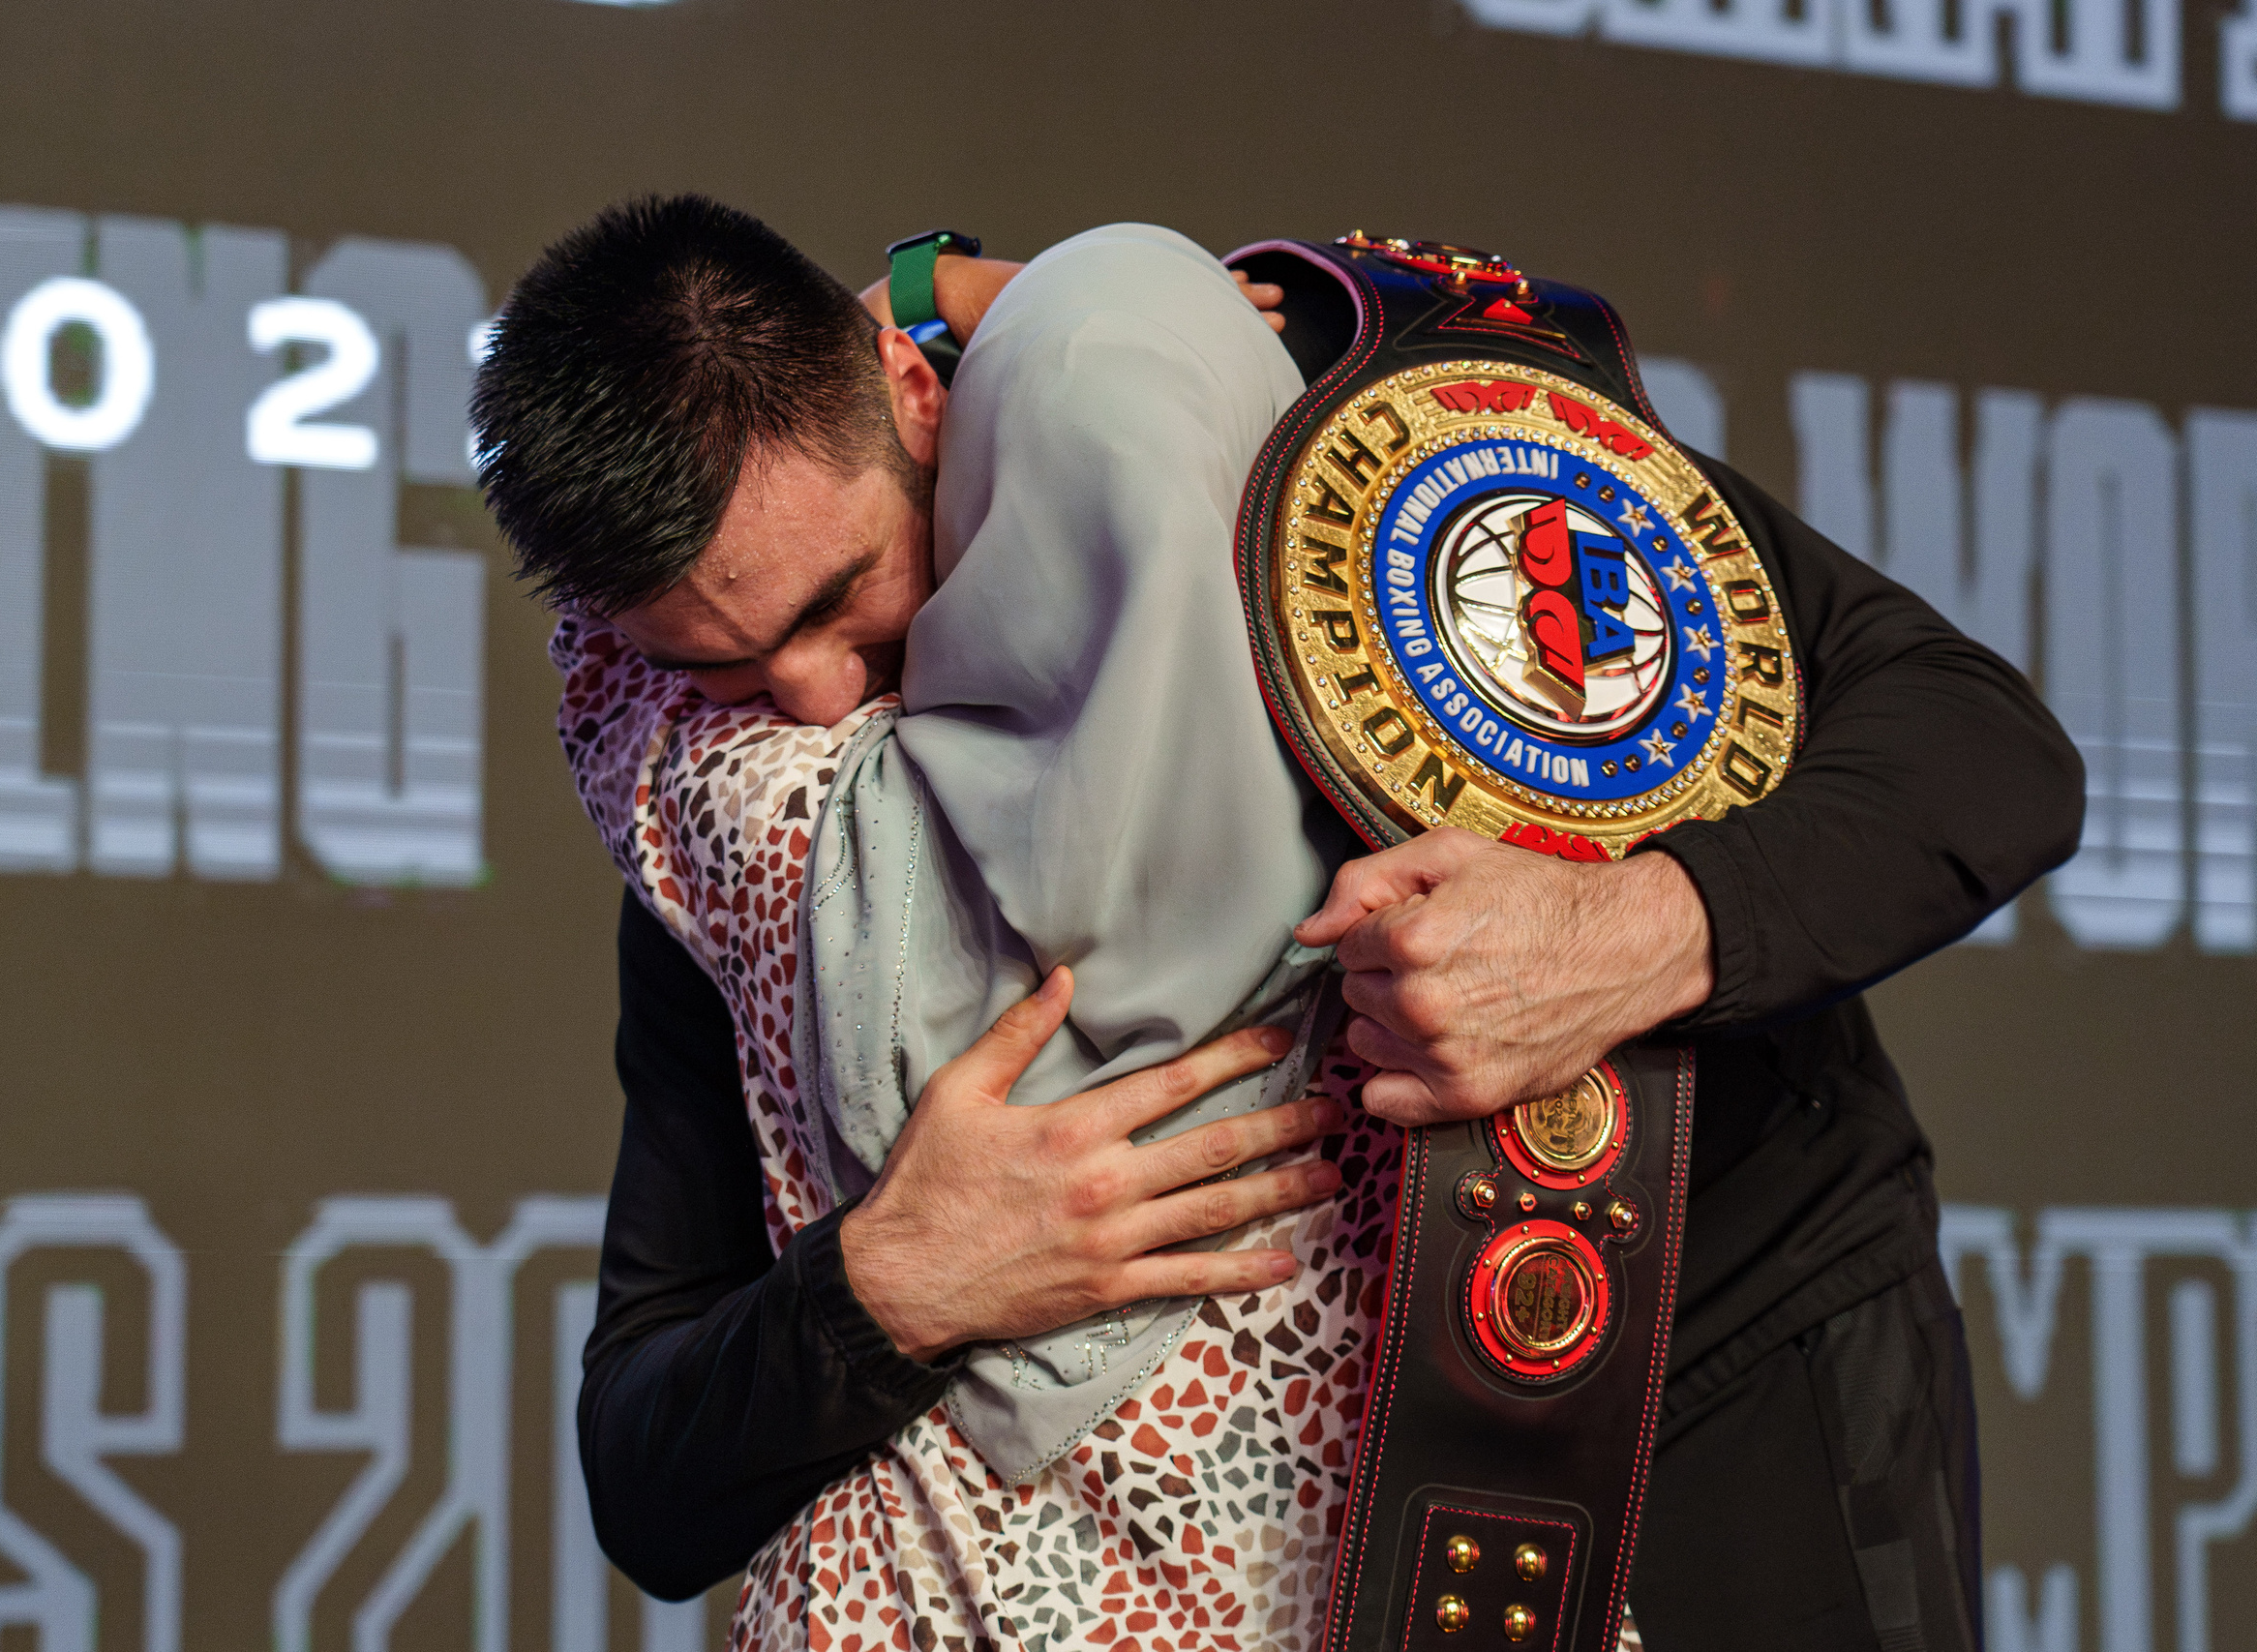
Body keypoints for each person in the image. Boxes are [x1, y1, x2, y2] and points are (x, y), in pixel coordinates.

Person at [471, 196, 2084, 1652]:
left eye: (837, 599)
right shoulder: (764, 830)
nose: (818, 695)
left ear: (913, 393)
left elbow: (1983, 749)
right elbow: (649, 1479)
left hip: (1718, 1415)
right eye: (723, 669)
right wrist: (891, 1285)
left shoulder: (1345, 430)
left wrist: (1638, 931)